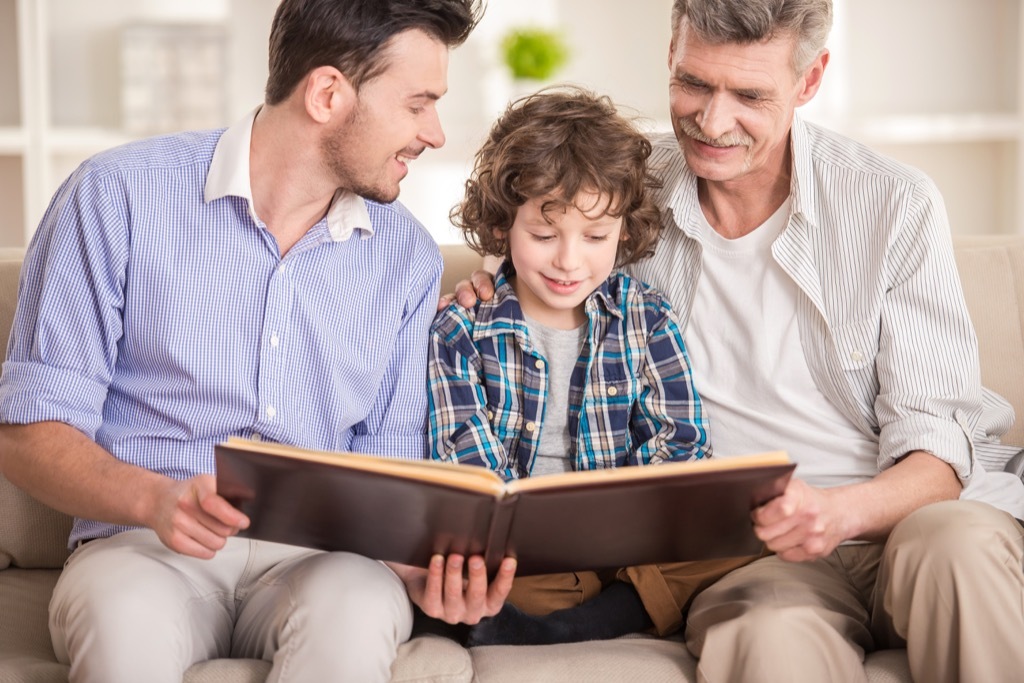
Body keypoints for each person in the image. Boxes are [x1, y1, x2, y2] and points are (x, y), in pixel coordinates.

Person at [450, 1, 1024, 681]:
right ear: (670, 53)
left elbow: (939, 454)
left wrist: (836, 512)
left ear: (810, 81)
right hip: (754, 552)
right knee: (768, 631)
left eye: (750, 95)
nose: (713, 121)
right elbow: (531, 254)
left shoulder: (892, 203)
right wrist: (487, 288)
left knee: (959, 549)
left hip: (901, 512)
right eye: (695, 83)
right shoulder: (622, 190)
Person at [0, 1, 517, 681]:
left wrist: (422, 573)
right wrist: (152, 498)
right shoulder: (116, 196)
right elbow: (28, 434)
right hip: (142, 546)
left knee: (360, 607)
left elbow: (391, 474)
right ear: (328, 94)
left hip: (323, 560)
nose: (435, 133)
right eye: (418, 104)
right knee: (123, 620)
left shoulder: (407, 260)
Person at [427, 87, 756, 646]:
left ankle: (591, 617)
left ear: (624, 230)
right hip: (522, 556)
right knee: (466, 570)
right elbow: (468, 471)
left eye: (596, 236)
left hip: (628, 550)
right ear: (504, 224)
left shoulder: (646, 319)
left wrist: (632, 523)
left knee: (746, 536)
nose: (568, 260)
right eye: (543, 234)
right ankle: (606, 610)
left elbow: (680, 447)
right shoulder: (461, 329)